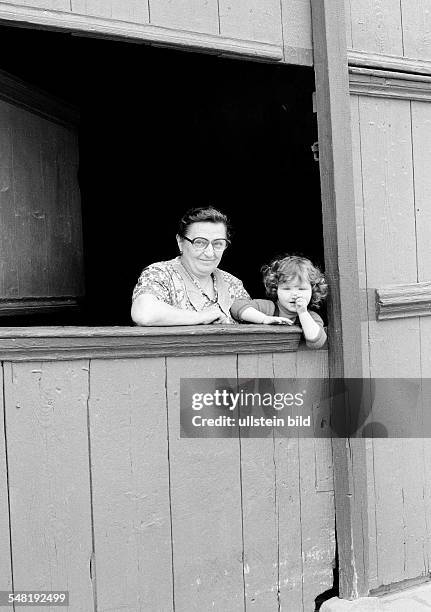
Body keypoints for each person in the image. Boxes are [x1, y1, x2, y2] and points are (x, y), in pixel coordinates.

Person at [131, 207, 250, 325]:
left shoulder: (233, 284)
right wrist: (201, 317)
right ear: (180, 242)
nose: (209, 253)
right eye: (199, 242)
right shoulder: (160, 274)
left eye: (218, 244)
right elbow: (144, 313)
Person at [230, 255, 328, 348]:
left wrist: (303, 313)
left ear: (313, 290)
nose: (294, 294)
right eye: (286, 289)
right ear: (276, 290)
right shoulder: (268, 307)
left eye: (301, 289)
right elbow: (236, 306)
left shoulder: (311, 317)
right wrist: (264, 319)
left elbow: (316, 342)